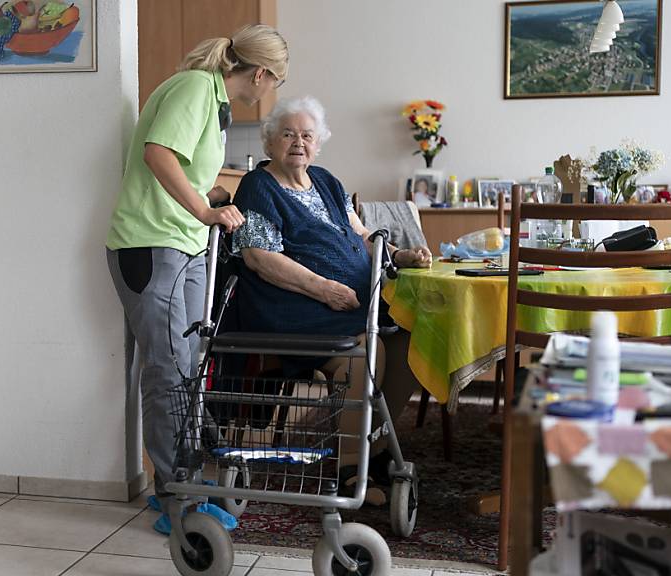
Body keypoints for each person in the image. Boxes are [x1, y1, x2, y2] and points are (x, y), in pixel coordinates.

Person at [105, 24, 288, 534]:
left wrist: (213, 201)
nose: (270, 92)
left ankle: (182, 478)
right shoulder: (193, 87)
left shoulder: (213, 101)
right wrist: (203, 212)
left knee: (187, 368)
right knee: (167, 371)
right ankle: (174, 495)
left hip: (180, 245)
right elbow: (158, 155)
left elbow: (187, 172)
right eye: (275, 82)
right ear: (262, 73)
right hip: (149, 244)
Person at [230, 96, 431, 504]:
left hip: (349, 305)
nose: (298, 143)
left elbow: (362, 236)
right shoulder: (259, 186)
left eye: (307, 135)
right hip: (292, 308)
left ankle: (371, 452)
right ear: (269, 143)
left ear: (318, 143)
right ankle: (350, 470)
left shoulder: (326, 181)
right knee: (367, 349)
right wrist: (323, 288)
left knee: (411, 339)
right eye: (287, 134)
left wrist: (398, 255)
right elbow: (260, 258)